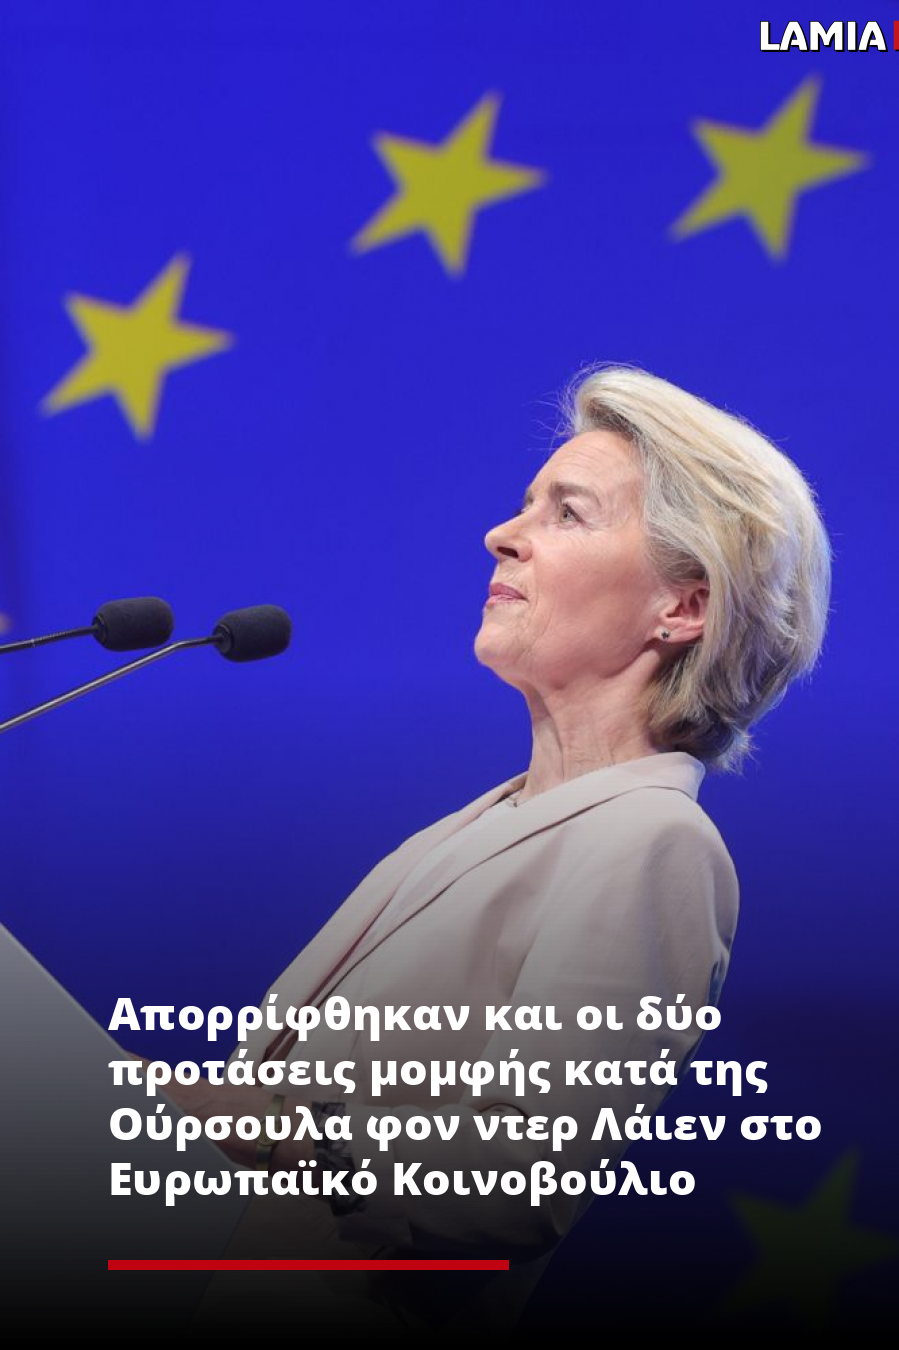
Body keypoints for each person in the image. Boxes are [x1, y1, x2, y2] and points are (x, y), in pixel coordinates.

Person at [173, 364, 832, 1335]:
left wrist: (279, 1138)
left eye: (568, 513)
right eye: (526, 504)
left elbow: (511, 1190)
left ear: (683, 608)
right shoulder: (480, 823)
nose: (502, 534)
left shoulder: (656, 842)